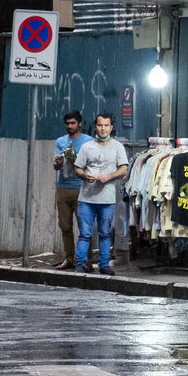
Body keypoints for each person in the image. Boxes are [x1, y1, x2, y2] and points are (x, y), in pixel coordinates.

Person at [73, 113, 127, 276]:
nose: (103, 129)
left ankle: (104, 265)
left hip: (107, 199)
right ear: (95, 127)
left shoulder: (118, 147)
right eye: (99, 125)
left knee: (104, 233)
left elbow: (123, 169)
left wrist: (109, 176)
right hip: (86, 198)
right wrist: (84, 175)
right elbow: (78, 168)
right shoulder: (87, 147)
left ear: (111, 127)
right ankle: (80, 264)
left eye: (106, 125)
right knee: (85, 234)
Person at [52, 111, 94, 270]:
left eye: (73, 123)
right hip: (63, 188)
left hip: (82, 189)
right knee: (65, 226)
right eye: (67, 124)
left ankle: (86, 260)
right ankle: (69, 258)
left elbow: (93, 163)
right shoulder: (60, 141)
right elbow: (56, 167)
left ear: (80, 124)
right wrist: (58, 162)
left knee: (84, 226)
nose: (70, 126)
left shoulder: (88, 141)